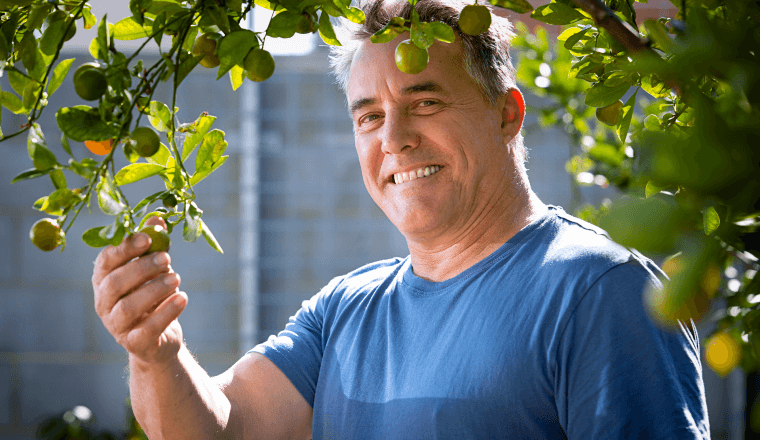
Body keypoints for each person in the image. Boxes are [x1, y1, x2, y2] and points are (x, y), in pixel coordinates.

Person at [91, 0, 710, 438]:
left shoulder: (604, 292)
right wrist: (156, 355)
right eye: (368, 116)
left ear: (506, 115)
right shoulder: (345, 310)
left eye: (424, 102)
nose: (393, 138)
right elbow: (221, 430)